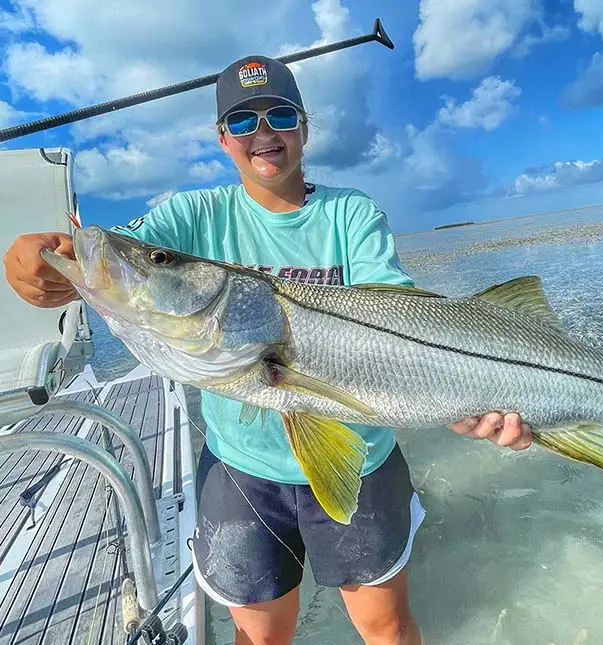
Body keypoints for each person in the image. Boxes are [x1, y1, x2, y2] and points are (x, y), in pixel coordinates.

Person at [3, 55, 532, 645]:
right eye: (242, 120)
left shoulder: (349, 213)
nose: (264, 133)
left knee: (386, 627)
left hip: (363, 455)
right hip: (243, 469)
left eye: (279, 114)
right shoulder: (194, 215)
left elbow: (401, 308)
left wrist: (470, 391)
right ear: (222, 137)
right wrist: (29, 255)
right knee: (259, 636)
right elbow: (108, 250)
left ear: (303, 126)